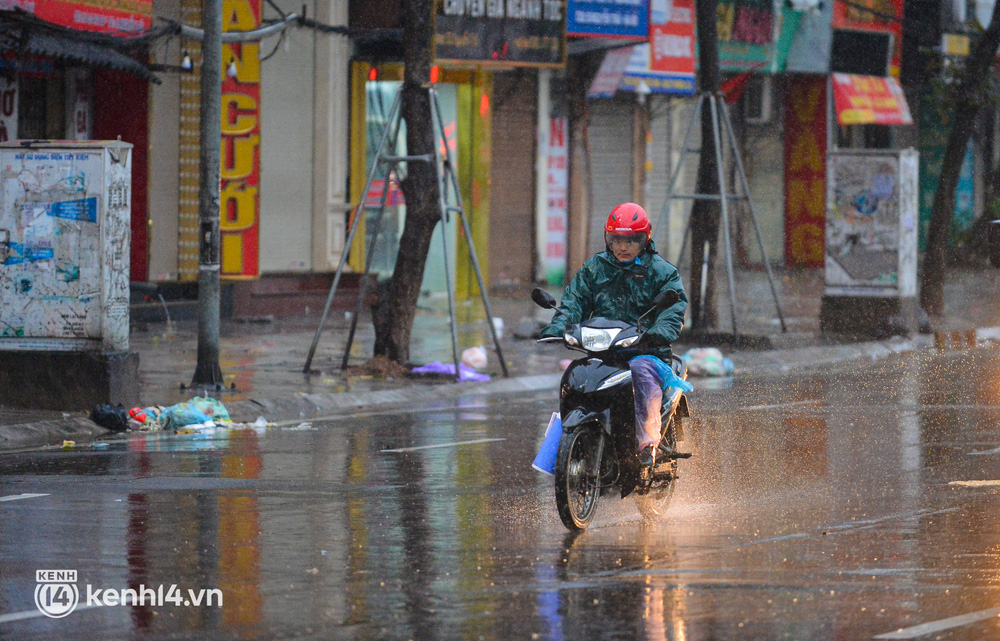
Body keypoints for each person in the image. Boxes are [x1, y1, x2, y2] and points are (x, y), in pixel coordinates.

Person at [540, 202, 688, 468]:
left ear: (645, 240)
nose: (623, 247)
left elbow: (674, 309)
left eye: (631, 241)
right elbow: (574, 300)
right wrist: (558, 325)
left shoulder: (663, 273)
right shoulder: (595, 268)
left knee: (641, 372)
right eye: (616, 239)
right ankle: (565, 453)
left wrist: (658, 332)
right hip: (604, 352)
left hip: (646, 351)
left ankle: (647, 446)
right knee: (575, 378)